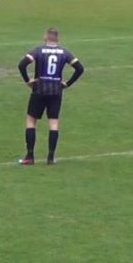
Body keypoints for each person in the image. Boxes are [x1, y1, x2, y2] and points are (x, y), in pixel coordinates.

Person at [17, 27, 85, 165]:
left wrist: (28, 81)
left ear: (45, 37)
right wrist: (67, 84)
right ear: (57, 39)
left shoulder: (38, 50)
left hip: (39, 89)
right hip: (56, 91)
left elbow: (22, 65)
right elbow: (80, 68)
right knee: (53, 122)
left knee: (31, 121)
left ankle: (30, 156)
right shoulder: (64, 52)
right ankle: (50, 157)